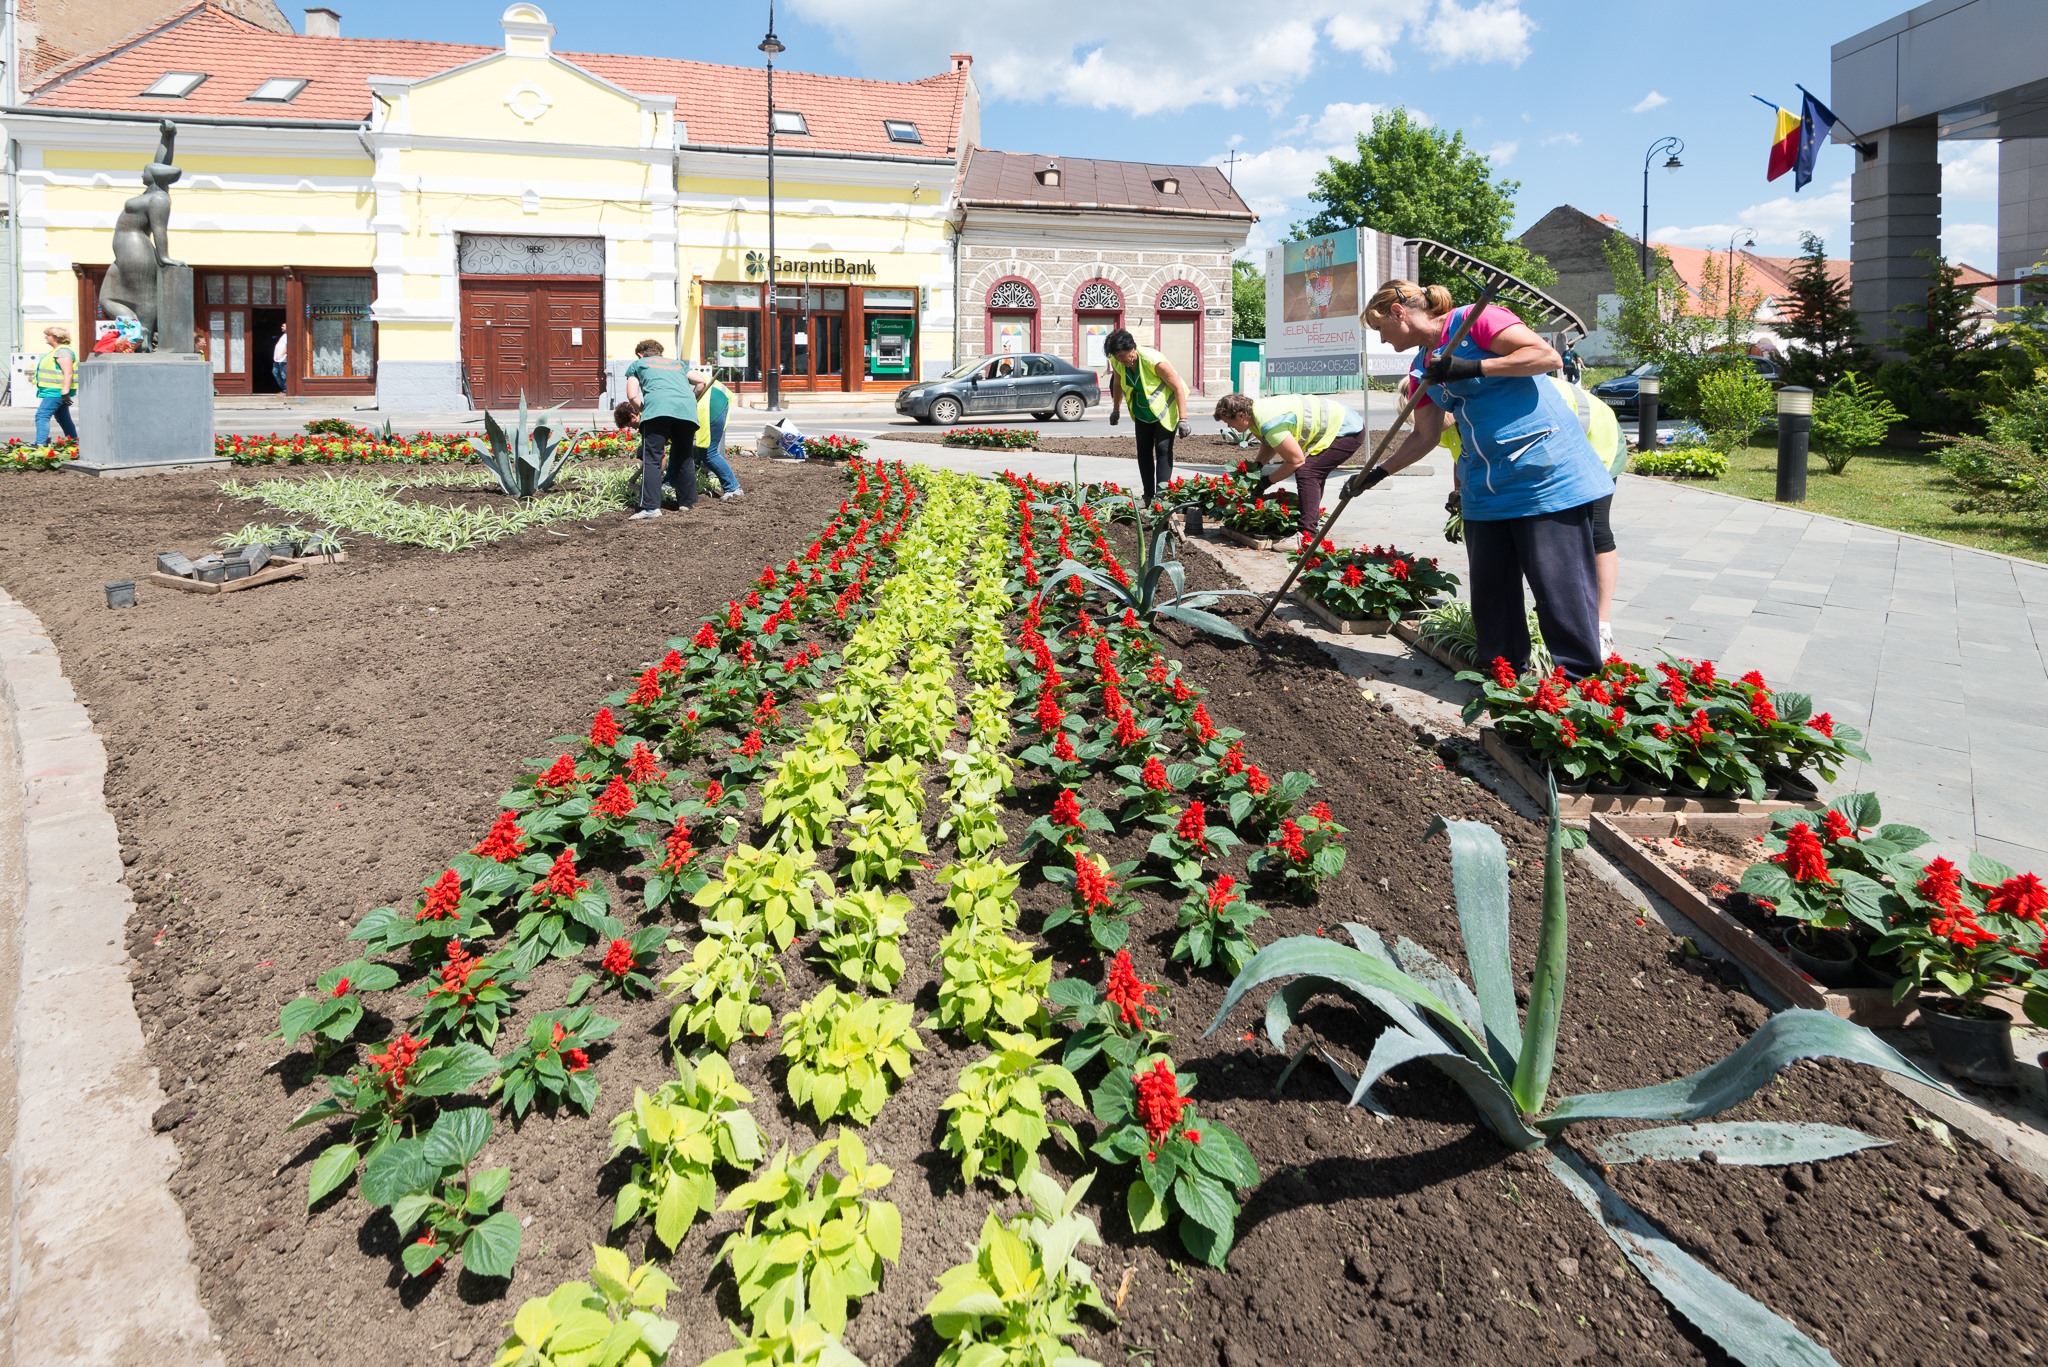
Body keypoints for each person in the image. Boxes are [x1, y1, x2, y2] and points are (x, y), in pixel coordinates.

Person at [1357, 280, 1614, 679]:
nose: (1383, 340)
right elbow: (1424, 434)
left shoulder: (1476, 321)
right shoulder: (1420, 367)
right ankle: (1505, 680)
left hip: (1543, 478)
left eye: (1380, 329)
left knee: (1559, 592)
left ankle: (1577, 688)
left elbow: (1546, 357)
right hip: (1485, 488)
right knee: (1492, 598)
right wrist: (1376, 474)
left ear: (1398, 312)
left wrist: (1473, 366)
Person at [1210, 392, 1366, 541]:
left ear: (1241, 416)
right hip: (1340, 422)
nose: (1229, 426)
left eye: (1228, 421)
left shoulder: (1269, 423)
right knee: (1313, 472)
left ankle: (1306, 535)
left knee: (1308, 472)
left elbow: (1295, 461)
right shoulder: (1253, 415)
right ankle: (1309, 520)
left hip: (1347, 429)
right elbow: (1268, 443)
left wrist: (1267, 481)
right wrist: (1257, 466)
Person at [1103, 327, 1190, 504]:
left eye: (1122, 356)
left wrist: (1183, 420)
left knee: (1163, 449)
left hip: (1165, 409)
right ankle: (1148, 495)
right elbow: (1118, 383)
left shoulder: (1154, 361)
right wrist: (1116, 409)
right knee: (1143, 451)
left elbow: (1177, 387)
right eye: (1116, 356)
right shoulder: (1117, 359)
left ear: (1132, 349)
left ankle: (1161, 496)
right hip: (1142, 410)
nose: (1119, 360)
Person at [624, 338, 700, 521]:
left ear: (640, 354)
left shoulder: (638, 364)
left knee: (653, 458)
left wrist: (644, 410)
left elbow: (632, 395)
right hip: (686, 411)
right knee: (684, 456)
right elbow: (701, 382)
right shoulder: (677, 364)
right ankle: (686, 503)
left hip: (657, 410)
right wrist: (690, 401)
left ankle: (650, 507)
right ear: (659, 353)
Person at [689, 367, 743, 500]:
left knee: (709, 452)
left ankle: (733, 488)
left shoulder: (674, 373)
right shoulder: (673, 369)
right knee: (705, 451)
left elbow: (700, 384)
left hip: (710, 406)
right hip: (716, 403)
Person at [33, 327, 77, 445]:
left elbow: (68, 372)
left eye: (48, 335)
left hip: (56, 391)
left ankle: (40, 444)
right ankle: (74, 443)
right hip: (55, 391)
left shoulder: (62, 352)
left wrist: (65, 392)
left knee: (42, 415)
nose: (45, 337)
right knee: (63, 418)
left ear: (56, 337)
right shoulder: (57, 351)